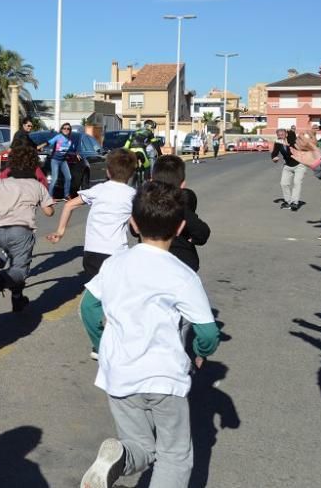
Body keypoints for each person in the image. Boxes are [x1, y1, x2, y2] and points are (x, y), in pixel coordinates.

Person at [78, 181, 221, 488]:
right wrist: (200, 350)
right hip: (164, 375)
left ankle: (120, 458)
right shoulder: (182, 274)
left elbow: (88, 308)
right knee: (174, 454)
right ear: (181, 226)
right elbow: (208, 331)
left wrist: (102, 346)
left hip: (119, 373)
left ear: (132, 223)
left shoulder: (115, 263)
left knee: (140, 446)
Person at [0, 145, 54, 313]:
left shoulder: (2, 182)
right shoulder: (37, 185)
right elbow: (49, 212)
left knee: (13, 259)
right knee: (20, 270)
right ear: (34, 164)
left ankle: (17, 299)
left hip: (0, 231)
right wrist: (43, 203)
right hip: (22, 232)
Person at [46, 149, 138, 278]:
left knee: (97, 288)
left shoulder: (98, 190)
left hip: (92, 252)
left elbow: (69, 205)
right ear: (131, 174)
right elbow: (137, 227)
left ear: (108, 171)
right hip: (116, 252)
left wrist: (60, 232)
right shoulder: (132, 195)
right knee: (114, 291)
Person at [150, 155, 211, 272]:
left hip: (150, 260)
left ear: (152, 181)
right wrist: (193, 240)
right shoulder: (181, 208)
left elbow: (134, 229)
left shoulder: (146, 205)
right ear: (182, 185)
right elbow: (202, 232)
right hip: (182, 261)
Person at [271, 128, 304, 211]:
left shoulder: (292, 140)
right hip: (288, 166)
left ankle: (295, 202)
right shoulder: (278, 142)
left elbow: (292, 135)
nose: (280, 137)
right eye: (279, 135)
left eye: (282, 135)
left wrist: (290, 131)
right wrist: (274, 157)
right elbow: (275, 152)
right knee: (284, 183)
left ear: (286, 134)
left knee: (297, 183)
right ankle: (288, 202)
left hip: (299, 165)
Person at [46, 123, 80, 200]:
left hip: (63, 161)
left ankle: (66, 195)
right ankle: (49, 196)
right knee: (54, 178)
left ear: (70, 131)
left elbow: (74, 148)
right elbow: (49, 142)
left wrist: (77, 153)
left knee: (68, 177)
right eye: (64, 128)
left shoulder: (70, 140)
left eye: (68, 129)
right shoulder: (58, 137)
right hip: (55, 160)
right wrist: (39, 147)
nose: (66, 130)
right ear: (61, 130)